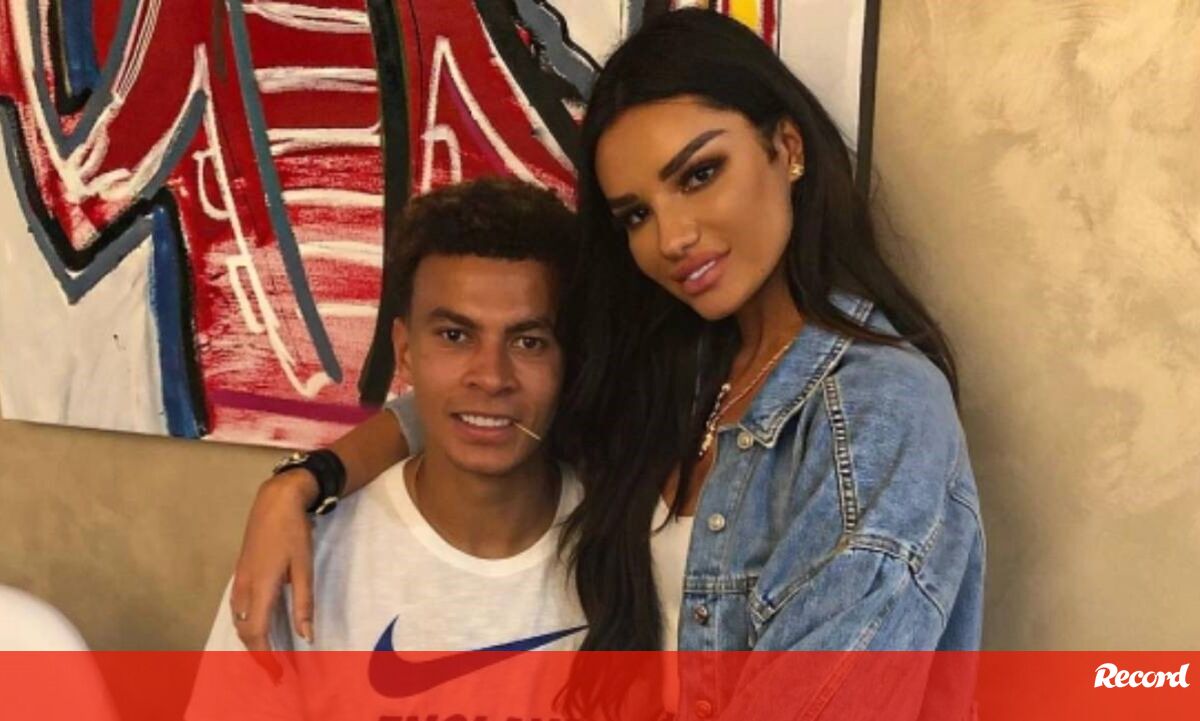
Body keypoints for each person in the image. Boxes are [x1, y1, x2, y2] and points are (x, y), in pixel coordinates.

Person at [229, 8, 983, 716]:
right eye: (636, 214)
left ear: (787, 148)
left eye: (699, 174)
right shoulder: (679, 365)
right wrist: (303, 482)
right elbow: (477, 400)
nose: (672, 238)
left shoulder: (879, 413)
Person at [197, 178, 586, 664]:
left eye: (528, 342)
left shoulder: (626, 546)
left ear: (570, 360)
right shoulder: (304, 552)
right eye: (454, 336)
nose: (491, 377)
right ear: (404, 352)